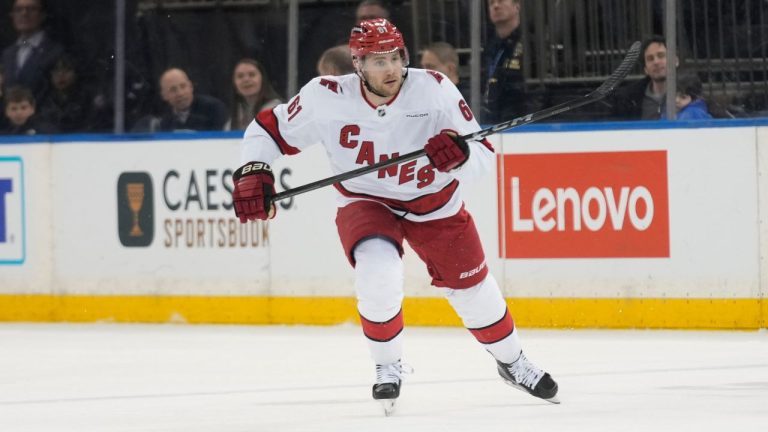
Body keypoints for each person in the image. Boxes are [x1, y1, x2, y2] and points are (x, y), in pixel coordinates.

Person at [230, 18, 559, 414]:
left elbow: (484, 157)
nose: (390, 69)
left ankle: (513, 362)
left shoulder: (434, 90)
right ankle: (387, 366)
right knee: (377, 270)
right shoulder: (326, 96)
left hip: (434, 203)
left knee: (475, 292)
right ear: (358, 65)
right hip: (366, 201)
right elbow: (265, 132)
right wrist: (253, 171)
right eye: (378, 61)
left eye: (395, 57)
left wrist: (460, 157)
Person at [482, 0, 541, 123]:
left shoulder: (531, 44)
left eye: (501, 1)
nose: (496, 6)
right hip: (491, 118)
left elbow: (538, 91)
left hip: (522, 121)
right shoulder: (490, 46)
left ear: (517, 6)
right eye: (491, 3)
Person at [1, 0, 65, 102]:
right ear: (12, 16)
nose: (24, 13)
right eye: (18, 10)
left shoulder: (56, 52)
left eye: (31, 9)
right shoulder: (7, 55)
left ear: (42, 15)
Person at [611, 35, 675, 120]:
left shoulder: (691, 93)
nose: (656, 62)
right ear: (645, 69)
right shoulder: (628, 99)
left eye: (661, 55)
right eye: (650, 59)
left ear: (675, 61)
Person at [157, 67, 228, 132]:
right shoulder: (165, 120)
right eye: (173, 89)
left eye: (183, 86)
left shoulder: (214, 108)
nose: (180, 93)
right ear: (164, 96)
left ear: (191, 87)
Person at [37, 55, 92, 133]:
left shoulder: (87, 100)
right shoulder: (42, 100)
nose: (61, 75)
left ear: (76, 73)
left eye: (67, 70)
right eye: (56, 70)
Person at [229, 58, 283, 131]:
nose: (246, 79)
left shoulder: (274, 109)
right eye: (240, 76)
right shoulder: (237, 112)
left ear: (263, 80)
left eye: (252, 75)